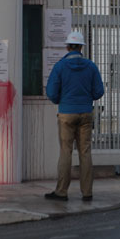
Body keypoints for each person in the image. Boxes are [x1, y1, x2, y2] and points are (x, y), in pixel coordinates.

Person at [45, 30, 104, 202]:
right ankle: (87, 192)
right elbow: (99, 92)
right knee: (85, 152)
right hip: (85, 113)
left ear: (68, 47)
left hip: (66, 114)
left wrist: (62, 101)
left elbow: (51, 92)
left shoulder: (60, 66)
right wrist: (86, 97)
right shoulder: (91, 66)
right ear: (81, 47)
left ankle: (62, 192)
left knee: (66, 152)